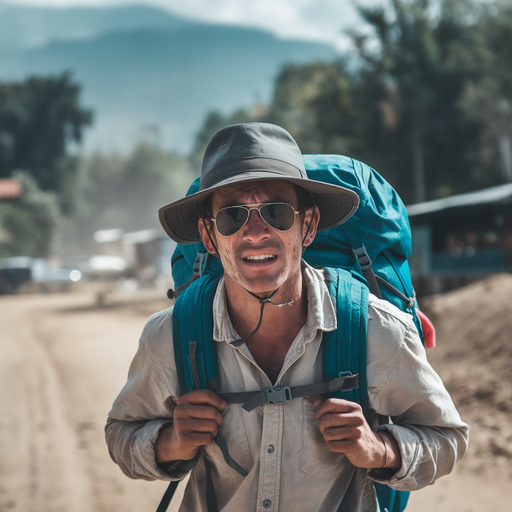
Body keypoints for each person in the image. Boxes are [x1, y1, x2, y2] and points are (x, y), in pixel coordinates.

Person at [105, 123, 468, 511]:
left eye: (276, 212)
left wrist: (379, 449)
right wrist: (171, 442)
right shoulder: (170, 337)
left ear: (307, 225)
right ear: (209, 237)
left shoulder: (376, 331)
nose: (256, 232)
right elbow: (121, 434)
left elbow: (448, 439)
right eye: (232, 217)